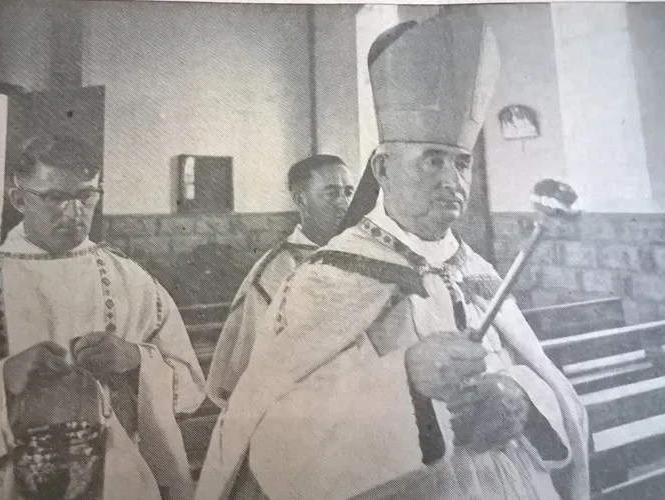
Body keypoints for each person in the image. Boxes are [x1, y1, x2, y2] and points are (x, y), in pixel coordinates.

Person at [196, 11, 588, 500]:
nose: (452, 181)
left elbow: (549, 385)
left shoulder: (478, 270)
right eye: (432, 160)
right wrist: (407, 382)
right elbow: (277, 440)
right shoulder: (326, 278)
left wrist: (520, 398)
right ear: (382, 168)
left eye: (462, 162)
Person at [0, 136, 205, 500]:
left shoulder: (132, 281)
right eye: (55, 197)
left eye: (86, 195)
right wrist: (3, 379)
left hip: (116, 480)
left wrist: (135, 361)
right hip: (2, 481)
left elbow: (190, 388)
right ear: (19, 200)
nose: (74, 212)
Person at [205, 155, 354, 407]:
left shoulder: (362, 258)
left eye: (348, 192)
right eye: (331, 193)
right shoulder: (276, 270)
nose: (344, 203)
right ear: (301, 200)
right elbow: (249, 363)